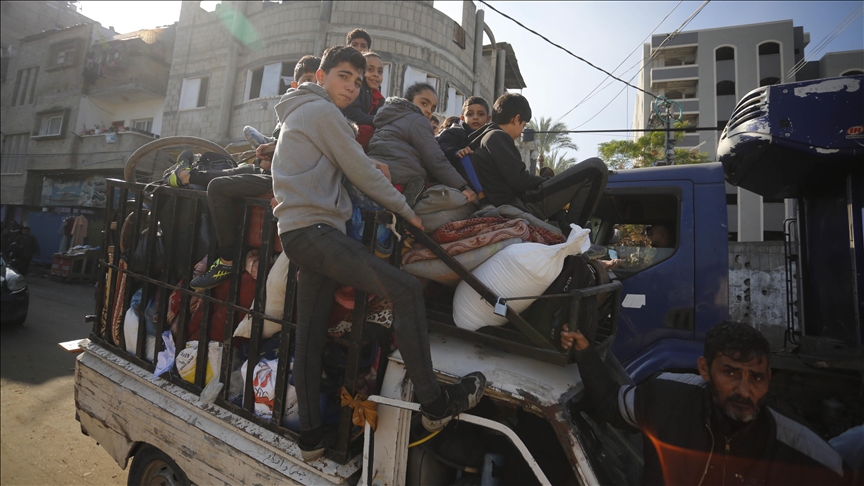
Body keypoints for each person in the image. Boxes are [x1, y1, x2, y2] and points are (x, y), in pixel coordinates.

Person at [271, 45, 486, 462]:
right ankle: (435, 406)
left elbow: (349, 167)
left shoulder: (303, 111)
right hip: (314, 231)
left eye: (356, 80)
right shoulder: (321, 113)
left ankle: (311, 439)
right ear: (321, 76)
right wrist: (408, 214)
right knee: (404, 290)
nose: (351, 87)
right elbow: (362, 173)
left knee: (310, 335)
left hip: (302, 232)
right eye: (343, 77)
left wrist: (372, 168)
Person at [560, 321, 850, 485]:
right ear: (704, 369)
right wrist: (584, 353)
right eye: (731, 373)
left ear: (769, 377)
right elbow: (612, 403)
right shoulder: (664, 397)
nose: (745, 390)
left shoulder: (796, 446)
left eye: (756, 378)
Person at [166, 57, 321, 290]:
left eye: (315, 81)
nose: (312, 86)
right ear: (295, 86)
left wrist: (274, 151)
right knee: (241, 169)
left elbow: (305, 153)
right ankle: (188, 174)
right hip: (272, 171)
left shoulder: (317, 112)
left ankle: (228, 259)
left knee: (218, 187)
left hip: (283, 179)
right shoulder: (290, 111)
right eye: (306, 80)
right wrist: (269, 150)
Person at [469, 93, 608, 233]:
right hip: (523, 203)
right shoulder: (496, 136)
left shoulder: (486, 139)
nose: (521, 131)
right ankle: (572, 233)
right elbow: (519, 179)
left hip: (518, 201)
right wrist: (549, 182)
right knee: (596, 168)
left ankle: (568, 228)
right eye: (523, 125)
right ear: (516, 119)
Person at [367, 82, 476, 207]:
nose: (428, 111)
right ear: (409, 101)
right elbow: (435, 158)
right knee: (461, 202)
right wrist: (462, 187)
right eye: (424, 103)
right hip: (401, 180)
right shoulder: (417, 120)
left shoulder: (388, 117)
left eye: (433, 108)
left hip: (376, 175)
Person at [437, 96, 491, 194]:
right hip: (459, 181)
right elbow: (443, 145)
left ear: (488, 119)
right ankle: (482, 197)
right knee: (466, 157)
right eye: (470, 114)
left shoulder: (490, 138)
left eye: (480, 114)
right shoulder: (454, 132)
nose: (475, 117)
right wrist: (456, 152)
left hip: (485, 180)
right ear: (462, 118)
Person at [342, 51, 386, 151]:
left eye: (380, 72)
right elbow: (353, 115)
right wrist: (379, 120)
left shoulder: (379, 97)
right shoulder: (356, 89)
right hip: (349, 131)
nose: (376, 75)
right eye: (370, 69)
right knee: (368, 130)